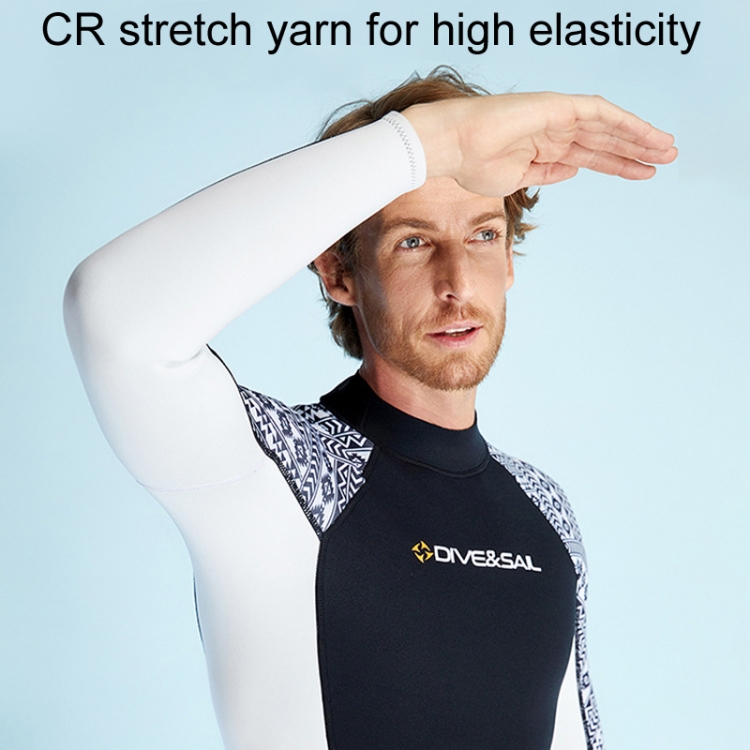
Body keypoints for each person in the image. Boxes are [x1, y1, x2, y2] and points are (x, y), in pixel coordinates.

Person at [64, 69, 677, 750]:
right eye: (413, 241)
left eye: (482, 235)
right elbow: (113, 316)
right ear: (339, 273)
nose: (456, 283)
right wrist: (431, 142)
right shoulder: (285, 476)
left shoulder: (544, 509)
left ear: (509, 259)